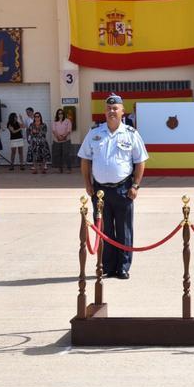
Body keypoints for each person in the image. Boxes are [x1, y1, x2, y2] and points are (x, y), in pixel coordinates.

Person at [78, 94, 148, 279]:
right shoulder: (94, 133)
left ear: (122, 111)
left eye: (115, 108)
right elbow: (85, 160)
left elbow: (140, 161)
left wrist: (135, 186)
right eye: (109, 109)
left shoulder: (131, 134)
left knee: (124, 229)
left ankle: (123, 266)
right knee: (104, 229)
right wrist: (87, 184)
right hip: (100, 191)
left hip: (123, 189)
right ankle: (108, 266)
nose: (112, 111)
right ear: (105, 111)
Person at [51, 108, 73, 173]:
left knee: (66, 154)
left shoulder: (68, 121)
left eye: (61, 113)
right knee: (58, 154)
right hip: (57, 140)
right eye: (59, 113)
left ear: (64, 114)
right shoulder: (55, 122)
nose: (60, 115)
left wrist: (63, 136)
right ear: (57, 114)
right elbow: (54, 130)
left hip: (66, 140)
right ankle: (60, 168)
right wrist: (58, 137)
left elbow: (69, 130)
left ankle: (69, 168)